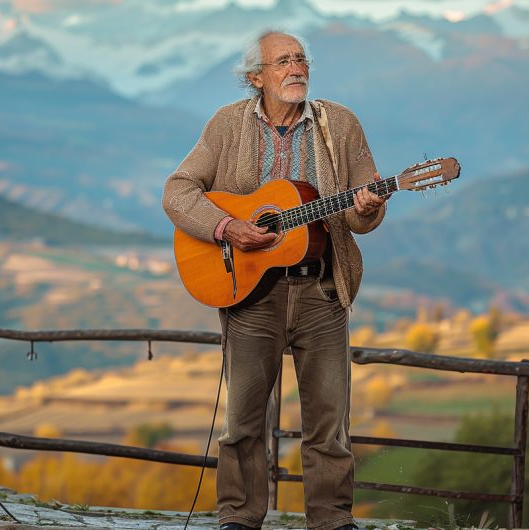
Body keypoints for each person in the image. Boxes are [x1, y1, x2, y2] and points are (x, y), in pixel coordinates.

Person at [162, 30, 386, 530]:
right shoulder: (227, 125)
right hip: (249, 293)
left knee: (329, 421)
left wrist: (370, 205)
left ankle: (331, 519)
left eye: (300, 58)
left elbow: (359, 217)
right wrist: (226, 227)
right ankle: (239, 518)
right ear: (255, 77)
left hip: (322, 291)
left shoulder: (341, 125)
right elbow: (178, 191)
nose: (295, 68)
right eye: (282, 61)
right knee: (242, 420)